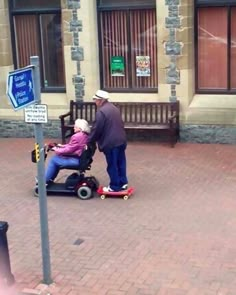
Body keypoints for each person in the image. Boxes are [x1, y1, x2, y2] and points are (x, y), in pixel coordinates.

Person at [88, 89, 128, 192]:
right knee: (121, 162)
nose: (95, 102)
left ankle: (114, 186)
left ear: (101, 100)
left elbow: (97, 129)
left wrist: (89, 140)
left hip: (110, 142)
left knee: (112, 164)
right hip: (121, 140)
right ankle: (123, 183)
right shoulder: (114, 108)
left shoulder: (101, 112)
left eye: (96, 100)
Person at [44, 118, 91, 184]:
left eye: (75, 126)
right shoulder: (85, 135)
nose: (74, 128)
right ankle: (50, 179)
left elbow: (69, 150)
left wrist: (56, 149)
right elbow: (72, 146)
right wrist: (61, 146)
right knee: (57, 159)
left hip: (77, 161)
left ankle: (45, 180)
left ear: (80, 128)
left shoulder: (77, 136)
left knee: (54, 160)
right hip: (82, 159)